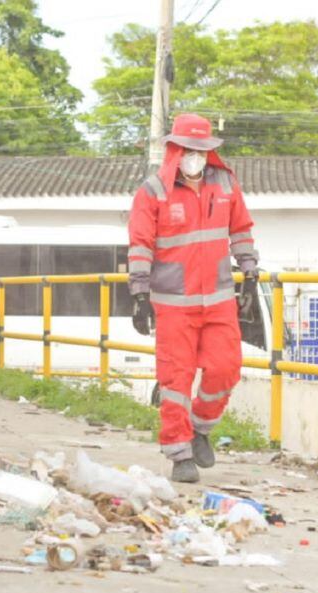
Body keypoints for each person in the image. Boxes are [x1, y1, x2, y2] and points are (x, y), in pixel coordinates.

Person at [127, 113, 260, 483]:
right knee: (176, 382)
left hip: (218, 299)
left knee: (225, 369)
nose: (195, 157)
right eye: (189, 150)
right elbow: (141, 244)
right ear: (175, 149)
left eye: (202, 150)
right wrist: (139, 293)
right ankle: (180, 454)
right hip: (174, 304)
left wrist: (249, 273)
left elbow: (241, 230)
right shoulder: (153, 191)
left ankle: (201, 429)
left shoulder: (226, 184)